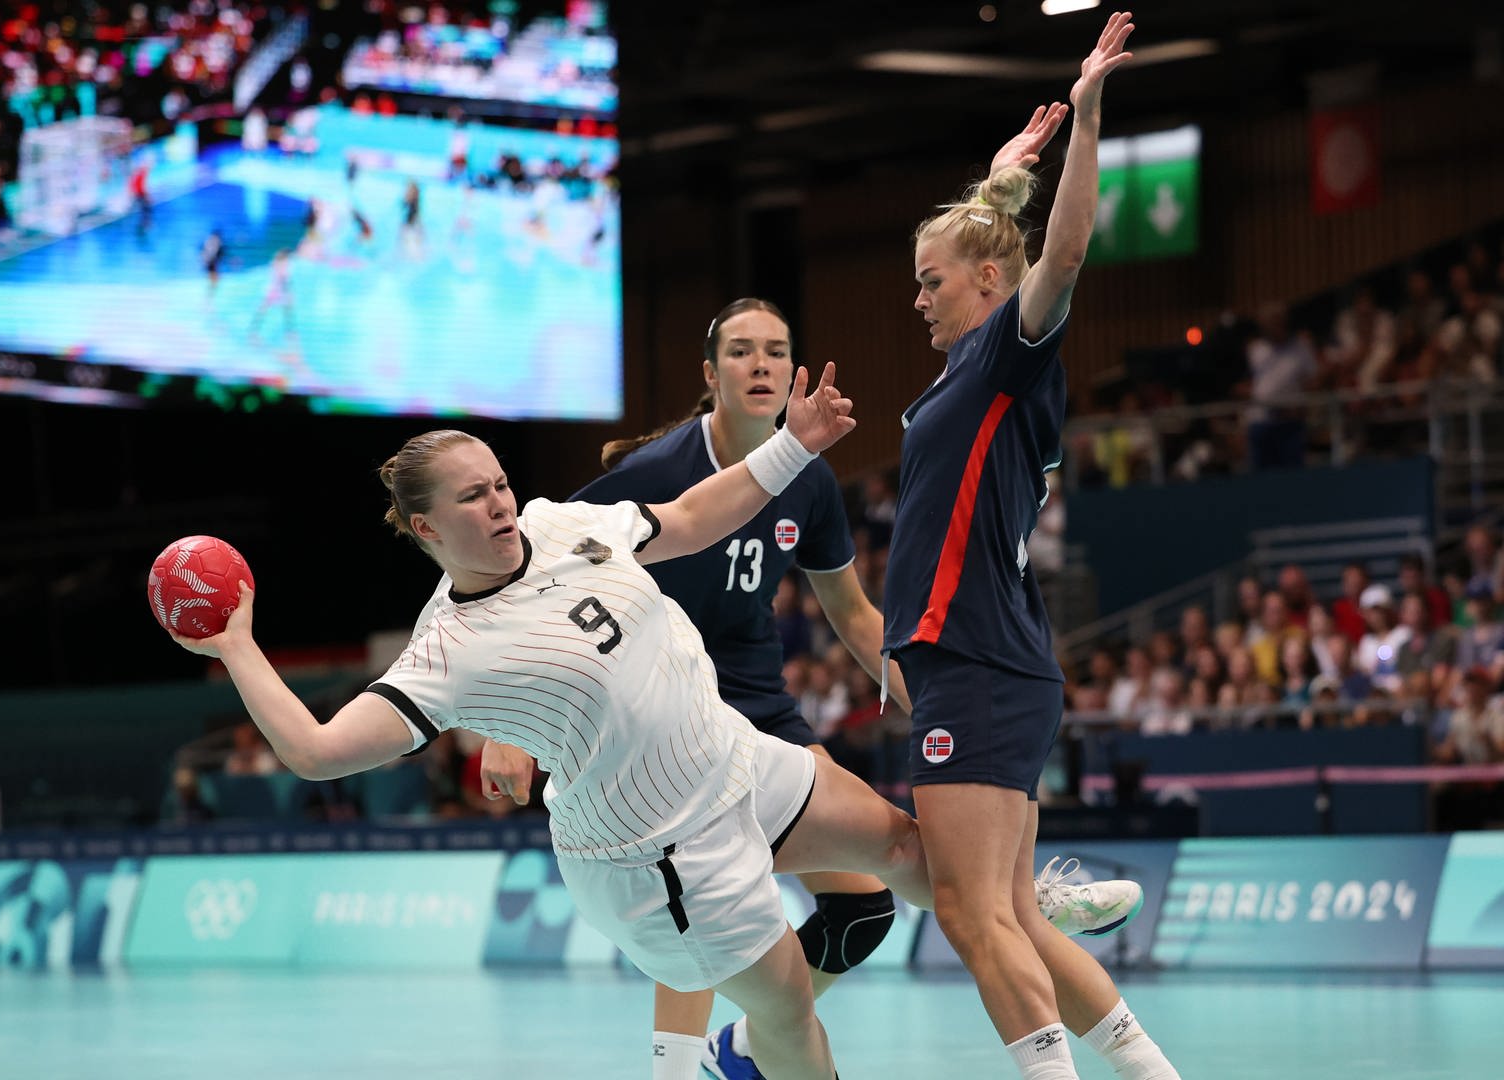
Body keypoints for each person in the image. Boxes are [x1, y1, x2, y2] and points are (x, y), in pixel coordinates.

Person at [173, 367, 927, 1080]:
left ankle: (1022, 918)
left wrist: (795, 444)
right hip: (658, 854)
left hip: (733, 759)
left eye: (500, 483)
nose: (500, 503)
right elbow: (315, 750)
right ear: (425, 526)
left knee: (902, 844)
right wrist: (237, 648)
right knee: (791, 1014)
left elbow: (694, 519)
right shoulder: (448, 651)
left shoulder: (561, 523)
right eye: (473, 498)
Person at [479, 294, 1142, 1080]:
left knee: (866, 904)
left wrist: (922, 688)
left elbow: (855, 612)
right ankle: (682, 1067)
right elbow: (530, 574)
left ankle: (754, 1046)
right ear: (710, 373)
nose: (759, 364)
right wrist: (510, 725)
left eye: (774, 350)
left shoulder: (811, 483)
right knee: (689, 902)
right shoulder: (650, 477)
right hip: (665, 727)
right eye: (740, 351)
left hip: (765, 721)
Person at [883, 13, 1180, 1079]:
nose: (915, 296)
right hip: (967, 656)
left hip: (980, 657)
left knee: (970, 913)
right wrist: (997, 179)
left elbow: (1062, 247)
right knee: (1010, 911)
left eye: (930, 279)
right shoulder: (963, 377)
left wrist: (1088, 115)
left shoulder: (1011, 352)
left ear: (986, 287)